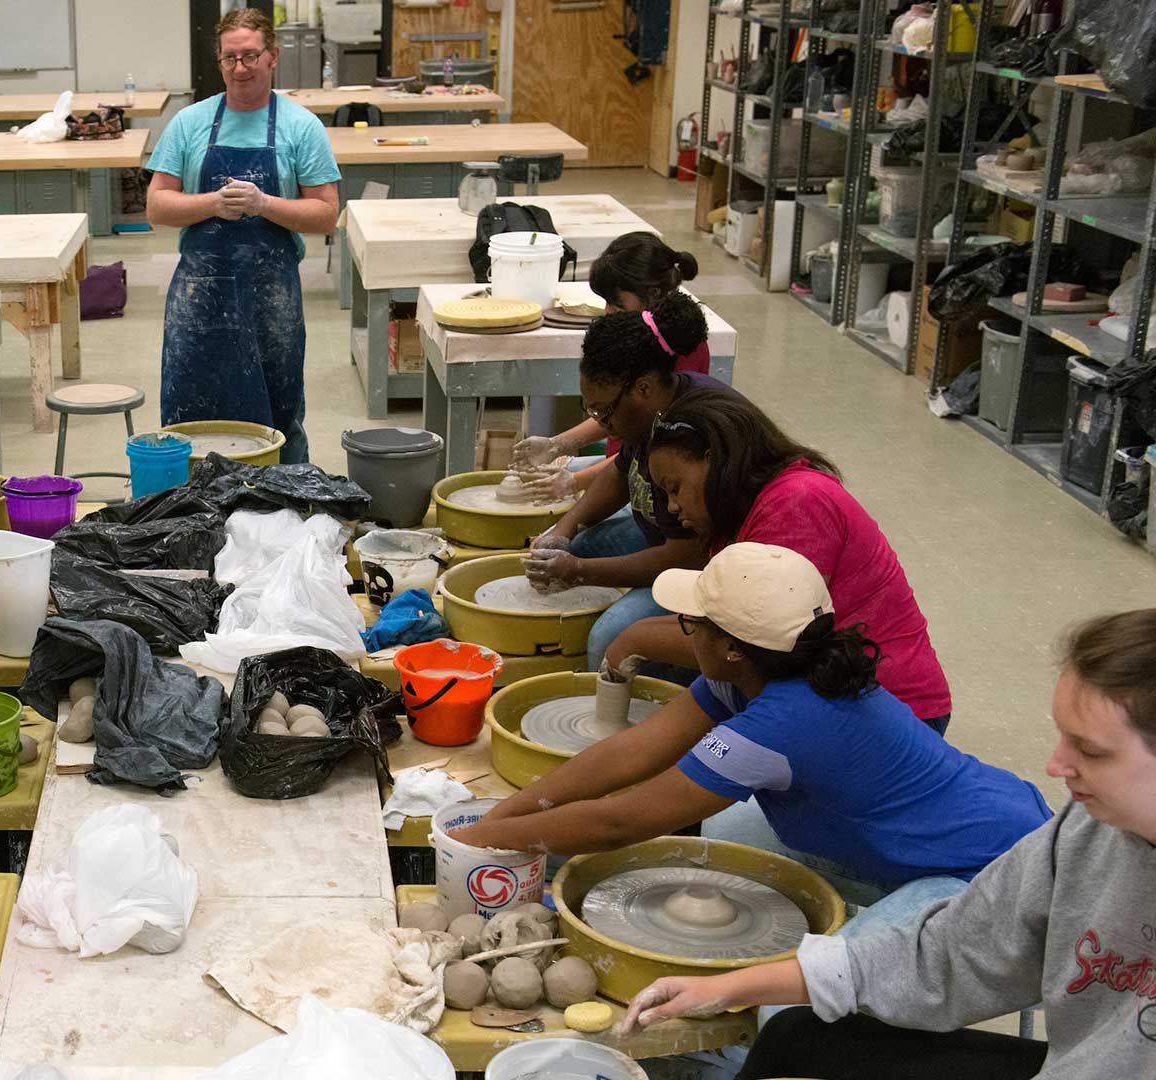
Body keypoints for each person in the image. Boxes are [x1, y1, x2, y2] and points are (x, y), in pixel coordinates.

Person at [621, 609, 1156, 1080]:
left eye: (1089, 750)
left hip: (973, 867)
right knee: (797, 1036)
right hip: (1072, 1049)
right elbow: (950, 950)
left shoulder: (790, 716)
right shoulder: (1087, 830)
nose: (1055, 766)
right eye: (1061, 735)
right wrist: (739, 985)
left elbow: (622, 819)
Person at [450, 543, 1049, 923]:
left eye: (692, 624)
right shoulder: (759, 674)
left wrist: (487, 841)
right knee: (723, 835)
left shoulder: (782, 723)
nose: (683, 634)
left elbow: (620, 821)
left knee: (832, 993)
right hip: (950, 822)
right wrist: (507, 814)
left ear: (731, 648)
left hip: (990, 871)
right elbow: (631, 751)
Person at [625, 388, 953, 734]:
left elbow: (756, 645)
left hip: (892, 706)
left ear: (713, 460)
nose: (672, 507)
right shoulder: (734, 514)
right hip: (818, 683)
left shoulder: (797, 504)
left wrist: (634, 640)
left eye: (675, 488)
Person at [146, 7, 341, 464]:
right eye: (230, 58)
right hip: (199, 295)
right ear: (219, 61)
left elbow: (327, 214)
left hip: (271, 297)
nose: (240, 68)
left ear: (272, 57)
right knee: (189, 408)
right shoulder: (190, 123)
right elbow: (157, 205)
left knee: (279, 409)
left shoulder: (300, 127)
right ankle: (188, 508)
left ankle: (285, 506)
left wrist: (263, 205)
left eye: (251, 56)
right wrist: (213, 204)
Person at [524, 290, 734, 669]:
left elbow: (684, 556)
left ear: (644, 388)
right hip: (666, 537)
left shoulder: (690, 430)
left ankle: (633, 701)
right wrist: (565, 528)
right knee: (577, 546)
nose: (600, 423)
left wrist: (579, 572)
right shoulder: (647, 410)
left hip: (709, 567)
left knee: (608, 637)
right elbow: (623, 471)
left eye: (604, 411)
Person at [507, 232, 712, 503]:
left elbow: (642, 456)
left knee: (575, 531)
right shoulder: (639, 337)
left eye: (616, 304)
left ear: (653, 295)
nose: (607, 311)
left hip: (653, 488)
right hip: (622, 464)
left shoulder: (680, 351)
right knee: (530, 486)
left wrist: (573, 482)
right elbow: (616, 412)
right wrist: (556, 445)